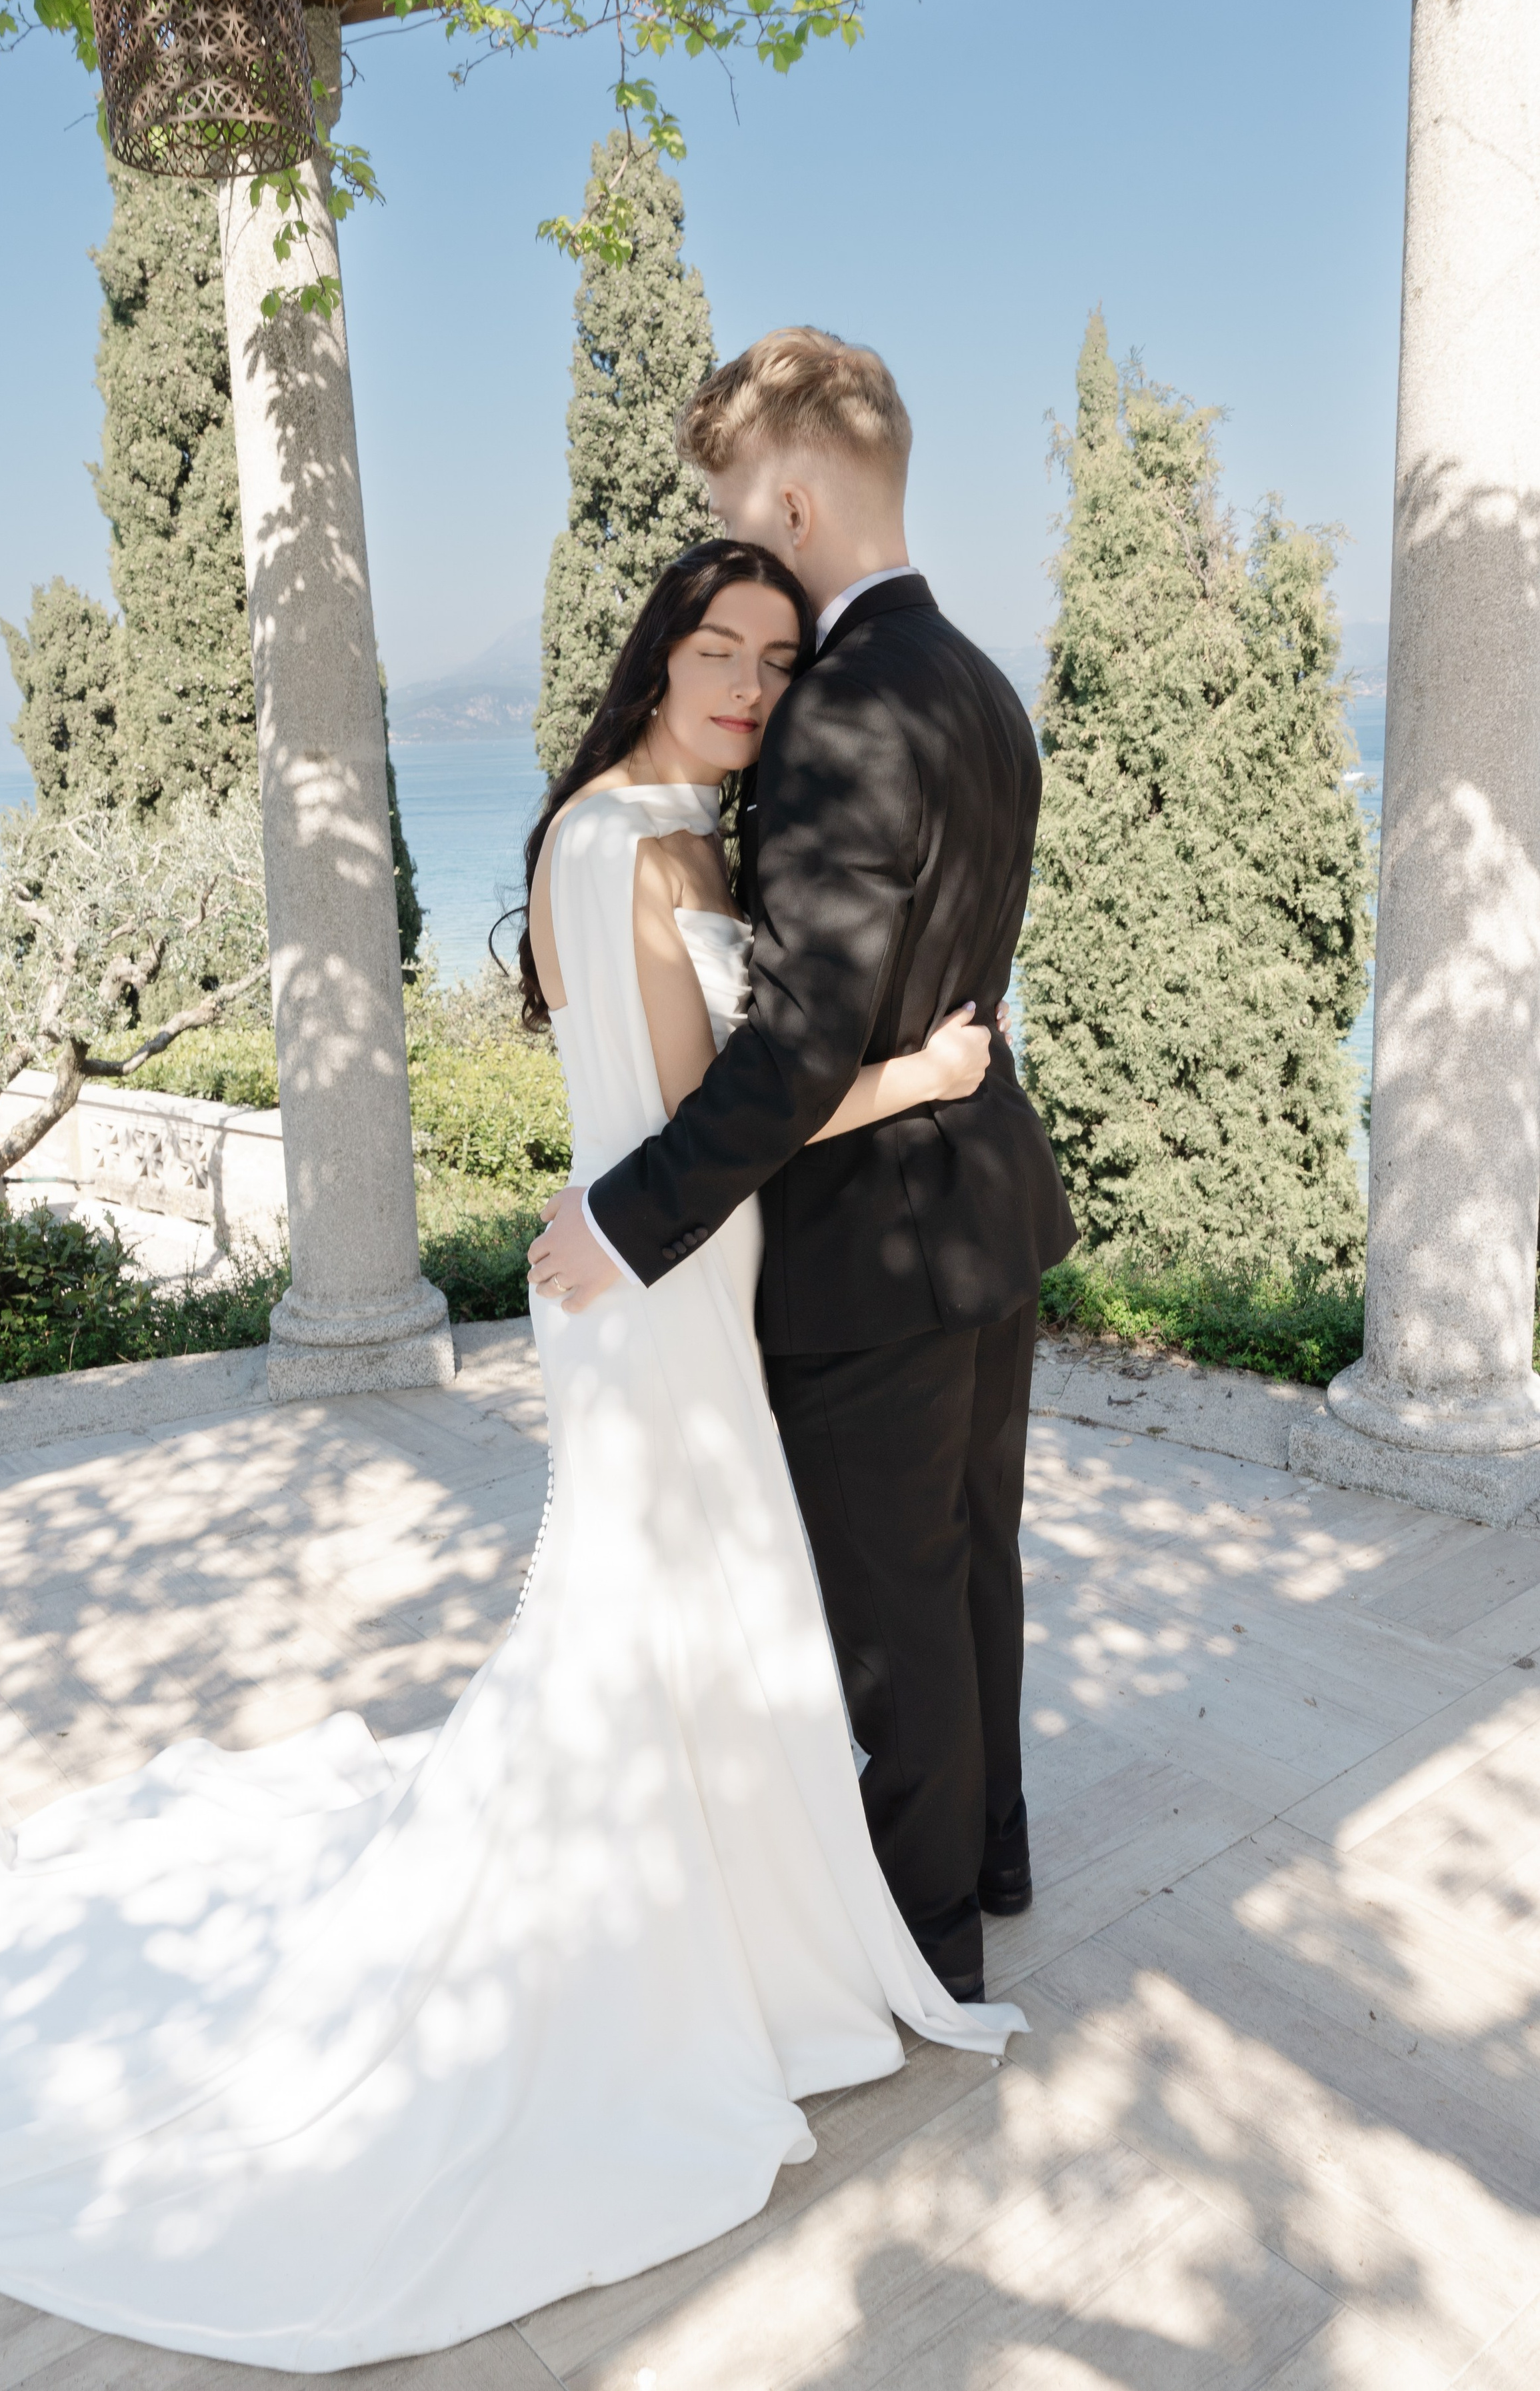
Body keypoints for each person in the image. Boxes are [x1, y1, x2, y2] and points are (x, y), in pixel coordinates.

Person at [0, 539, 1026, 2374]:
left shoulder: (600, 834)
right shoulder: (651, 846)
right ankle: (693, 1936)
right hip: (666, 1284)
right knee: (670, 1611)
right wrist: (924, 1080)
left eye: (781, 666)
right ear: (655, 661)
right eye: (721, 651)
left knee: (670, 1617)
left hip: (652, 1285)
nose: (751, 691)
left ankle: (716, 1897)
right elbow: (738, 1113)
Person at [530, 328, 1077, 2004]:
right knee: (973, 1554)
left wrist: (623, 1218)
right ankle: (991, 1843)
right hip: (988, 1213)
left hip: (875, 1248)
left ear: (782, 492)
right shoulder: (978, 678)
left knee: (889, 1607)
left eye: (735, 514)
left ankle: (921, 1949)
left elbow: (794, 1046)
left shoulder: (839, 708)